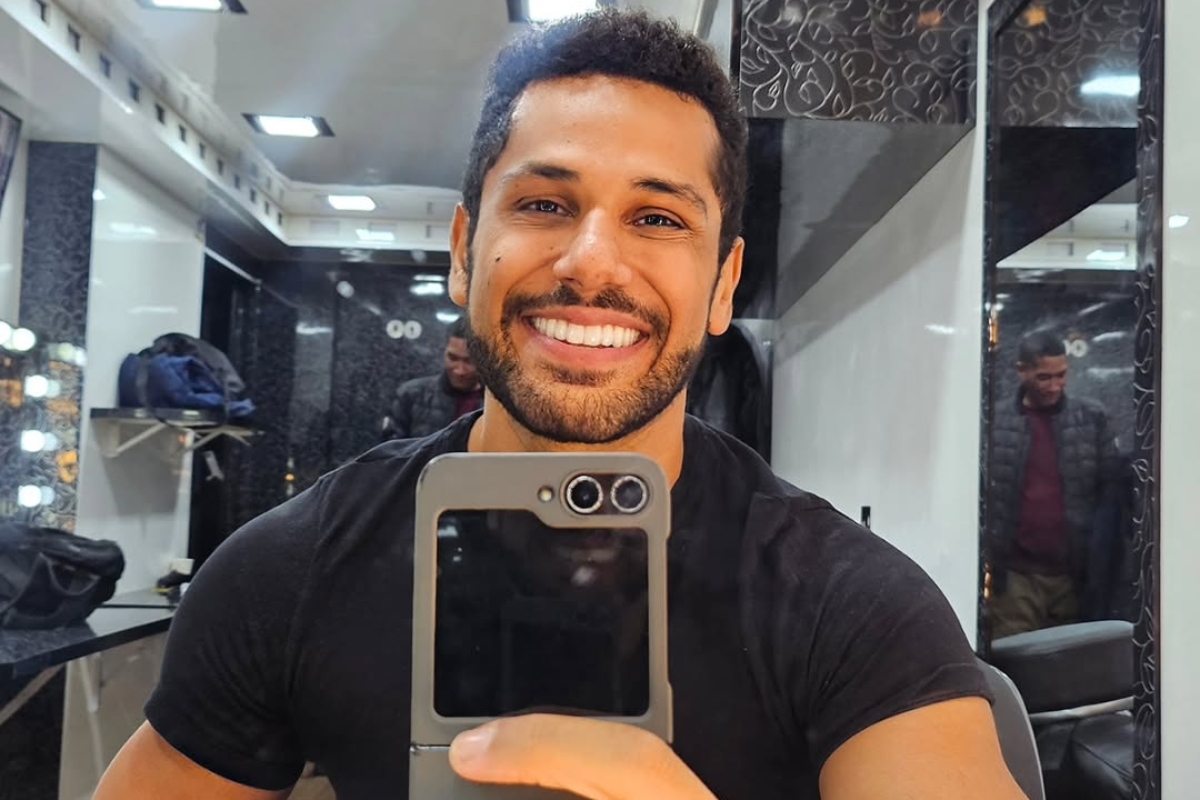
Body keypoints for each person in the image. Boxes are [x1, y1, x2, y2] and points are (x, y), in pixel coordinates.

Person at [96, 10, 1026, 800]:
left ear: (722, 285)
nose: (590, 262)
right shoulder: (288, 571)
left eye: (658, 218)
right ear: (464, 251)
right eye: (544, 204)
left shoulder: (847, 600)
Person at [989, 330, 1120, 639]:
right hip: (1015, 575)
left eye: (1061, 375)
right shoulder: (996, 421)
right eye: (1044, 377)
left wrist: (1101, 569)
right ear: (1022, 371)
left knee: (1071, 661)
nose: (1054, 386)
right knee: (1014, 656)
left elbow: (1112, 495)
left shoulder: (1092, 418)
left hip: (1073, 575)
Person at [382, 318, 483, 440]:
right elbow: (390, 446)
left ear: (483, 359)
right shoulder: (412, 395)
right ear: (444, 351)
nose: (460, 370)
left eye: (469, 361)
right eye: (453, 358)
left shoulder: (496, 404)